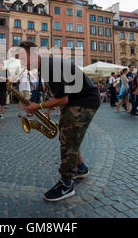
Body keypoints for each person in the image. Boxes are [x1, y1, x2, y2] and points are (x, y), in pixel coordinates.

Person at [19, 41, 100, 202]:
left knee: (68, 140)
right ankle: (81, 169)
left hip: (84, 101)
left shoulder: (49, 68)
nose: (21, 62)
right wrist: (48, 109)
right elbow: (59, 93)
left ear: (34, 55)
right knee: (68, 136)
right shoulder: (47, 66)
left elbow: (63, 98)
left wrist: (39, 106)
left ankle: (66, 184)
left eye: (22, 58)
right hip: (78, 99)